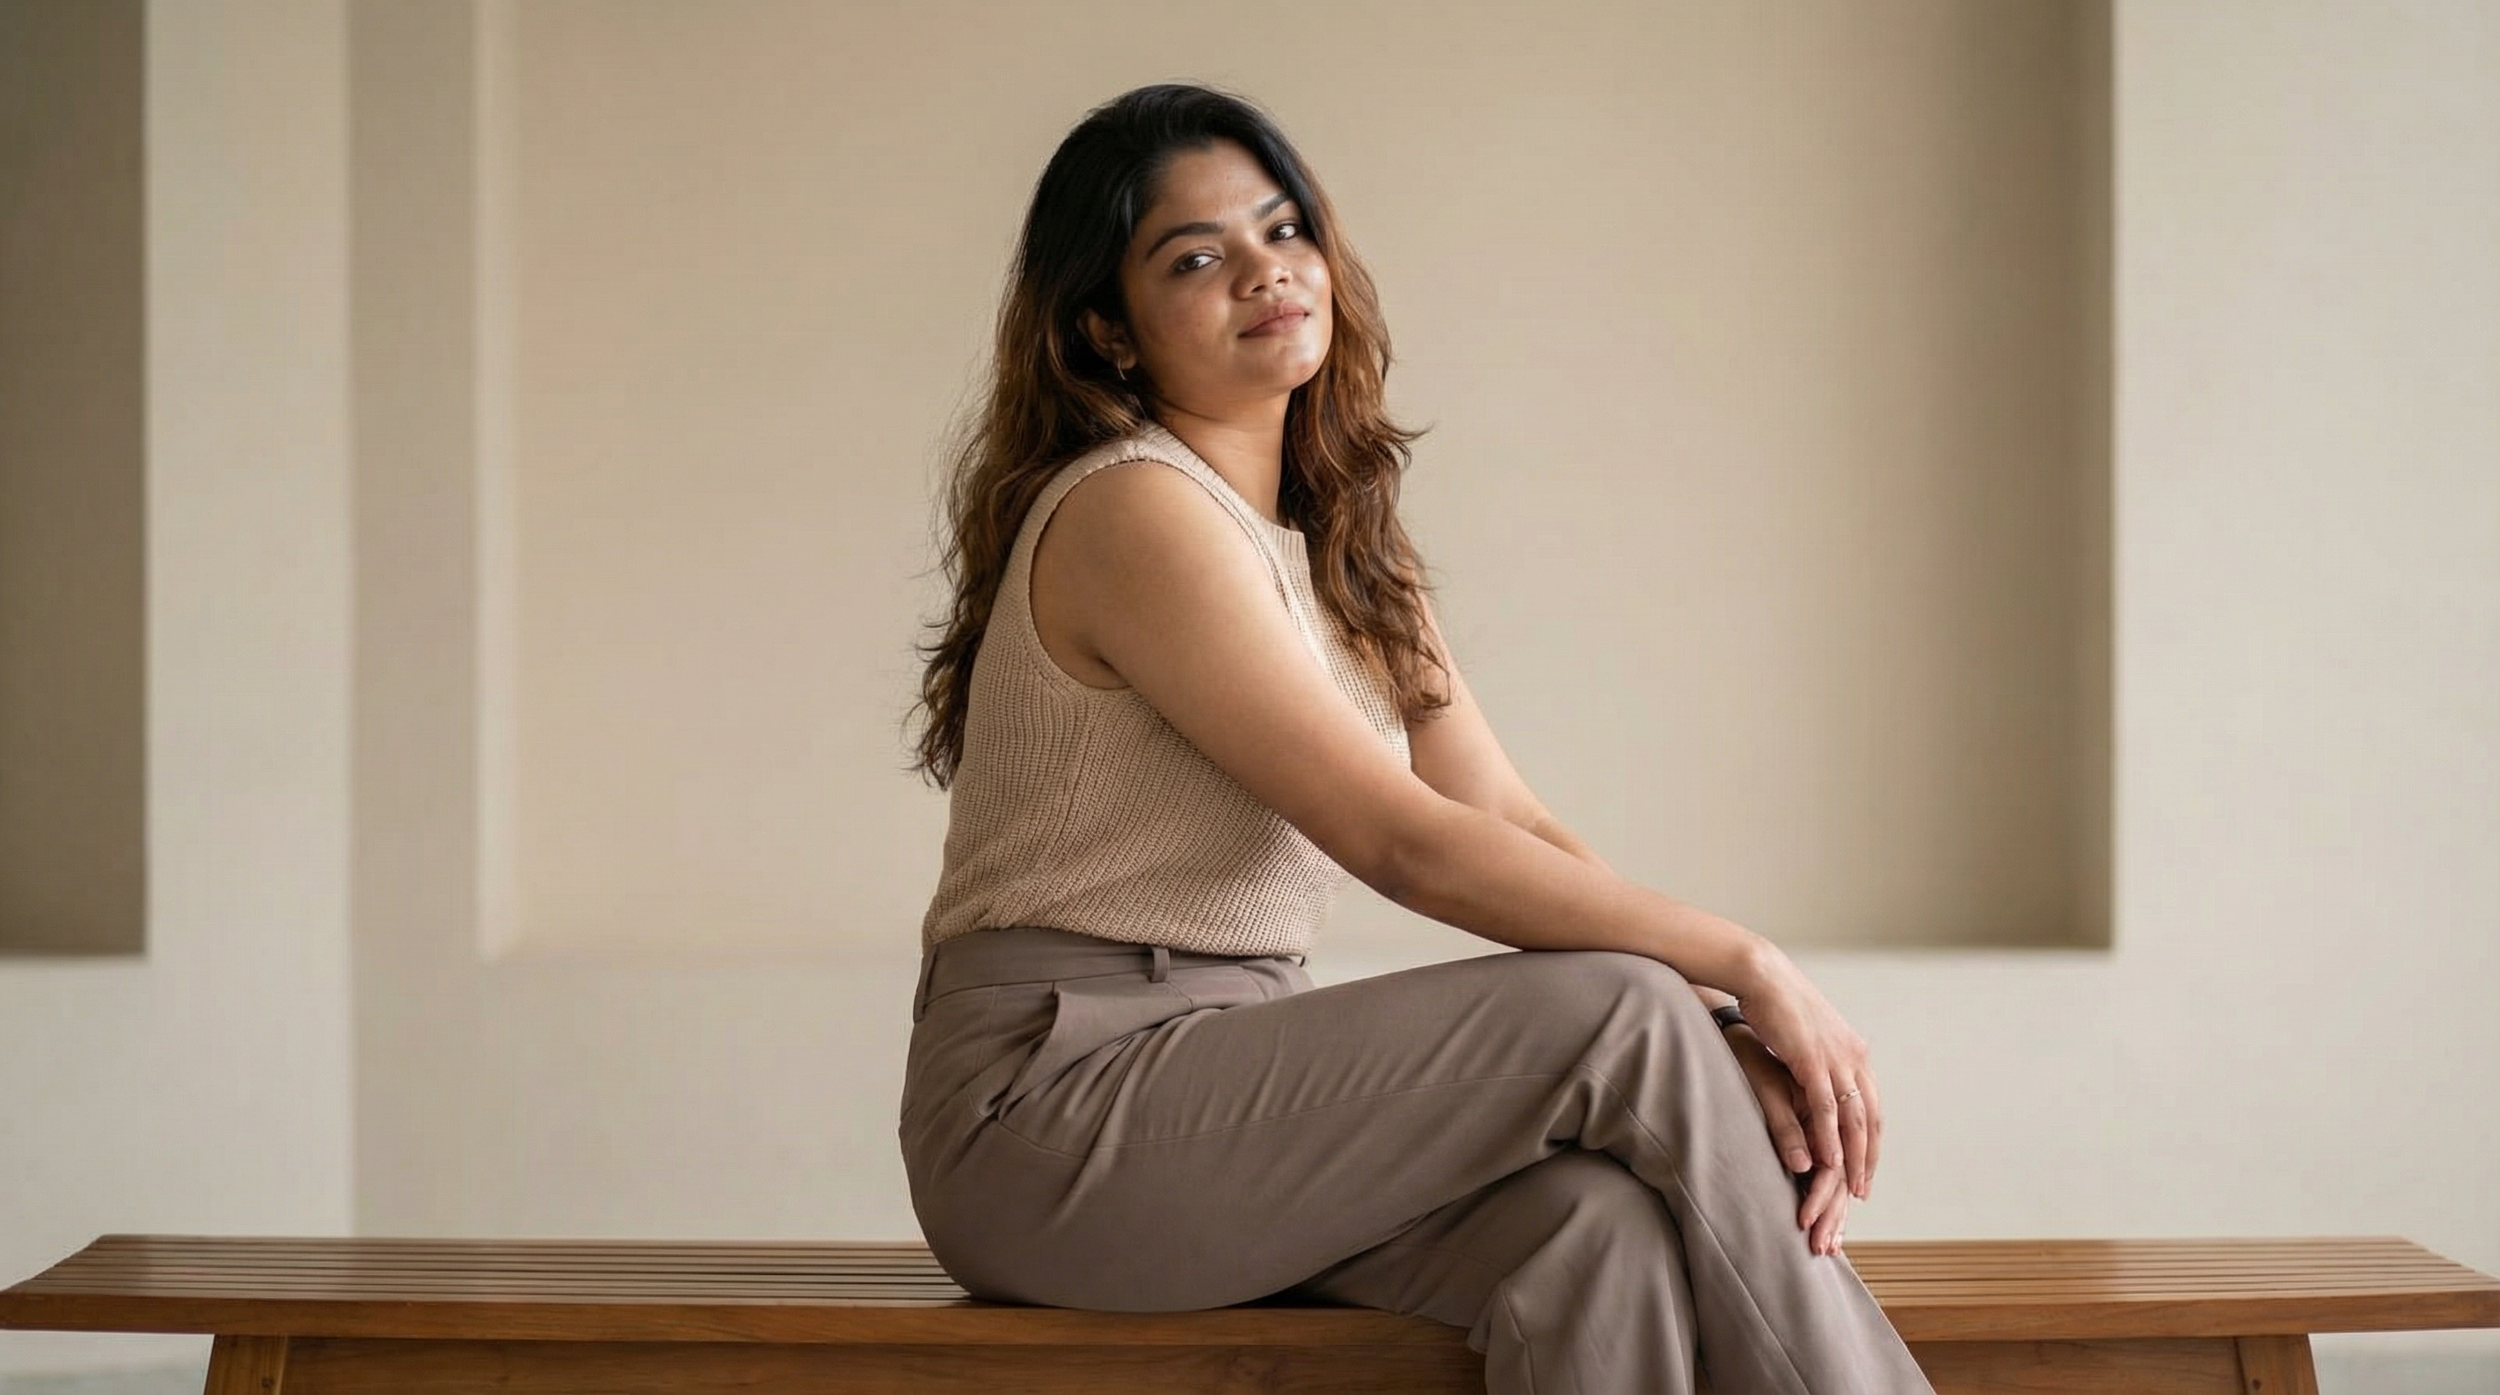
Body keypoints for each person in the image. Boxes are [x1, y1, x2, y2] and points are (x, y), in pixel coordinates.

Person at [898, 82, 1936, 1395]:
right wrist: (1743, 963)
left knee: (1593, 1229)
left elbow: (1501, 814)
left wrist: (1711, 1015)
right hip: (1052, 1111)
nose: (1266, 271)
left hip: (1228, 1083)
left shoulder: (1343, 543)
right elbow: (1402, 841)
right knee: (1618, 1007)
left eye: (1284, 229)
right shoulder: (1134, 512)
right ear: (1107, 329)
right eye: (1196, 258)